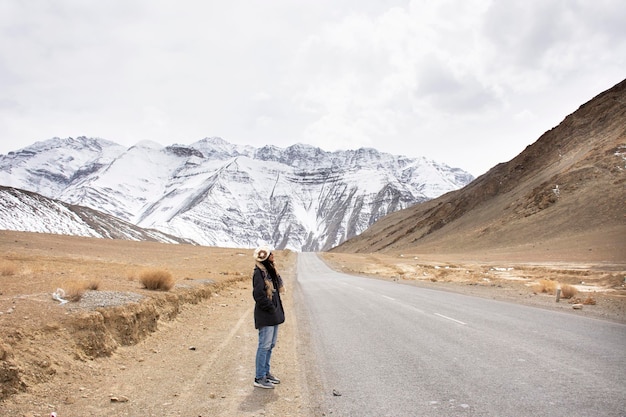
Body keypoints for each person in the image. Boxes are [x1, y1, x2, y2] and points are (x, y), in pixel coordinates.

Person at [252, 245, 285, 389]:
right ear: (265, 258)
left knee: (270, 345)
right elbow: (258, 295)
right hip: (266, 315)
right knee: (264, 345)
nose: (273, 256)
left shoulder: (270, 271)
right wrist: (271, 308)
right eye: (271, 255)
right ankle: (259, 377)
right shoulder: (259, 273)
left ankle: (266, 372)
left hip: (273, 314)